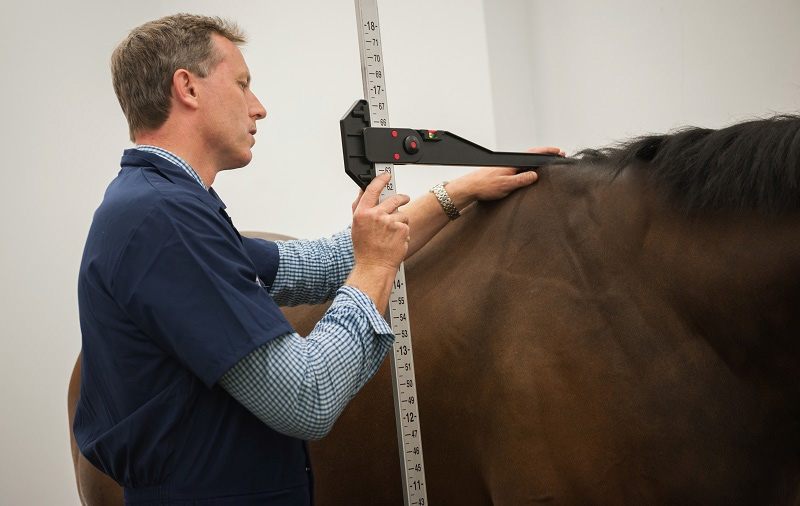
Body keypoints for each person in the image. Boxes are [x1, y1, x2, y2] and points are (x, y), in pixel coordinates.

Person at [73, 13, 563, 505]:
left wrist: (457, 191)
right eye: (242, 84)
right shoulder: (165, 221)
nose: (258, 107)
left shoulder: (160, 206)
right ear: (188, 88)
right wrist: (373, 271)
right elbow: (307, 398)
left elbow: (317, 265)